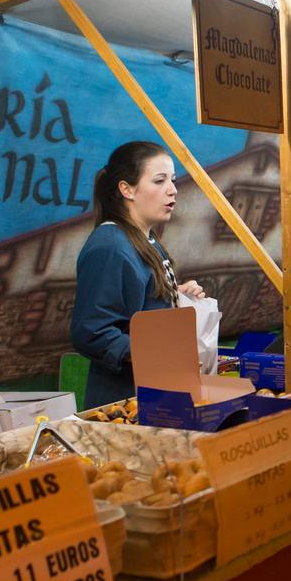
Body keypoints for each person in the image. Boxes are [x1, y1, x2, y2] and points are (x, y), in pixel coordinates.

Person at [71, 141, 204, 409]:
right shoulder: (110, 246)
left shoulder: (145, 238)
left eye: (173, 180)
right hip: (124, 405)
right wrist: (155, 354)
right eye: (159, 180)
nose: (173, 190)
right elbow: (91, 332)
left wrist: (173, 294)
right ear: (127, 189)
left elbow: (136, 303)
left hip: (156, 395)